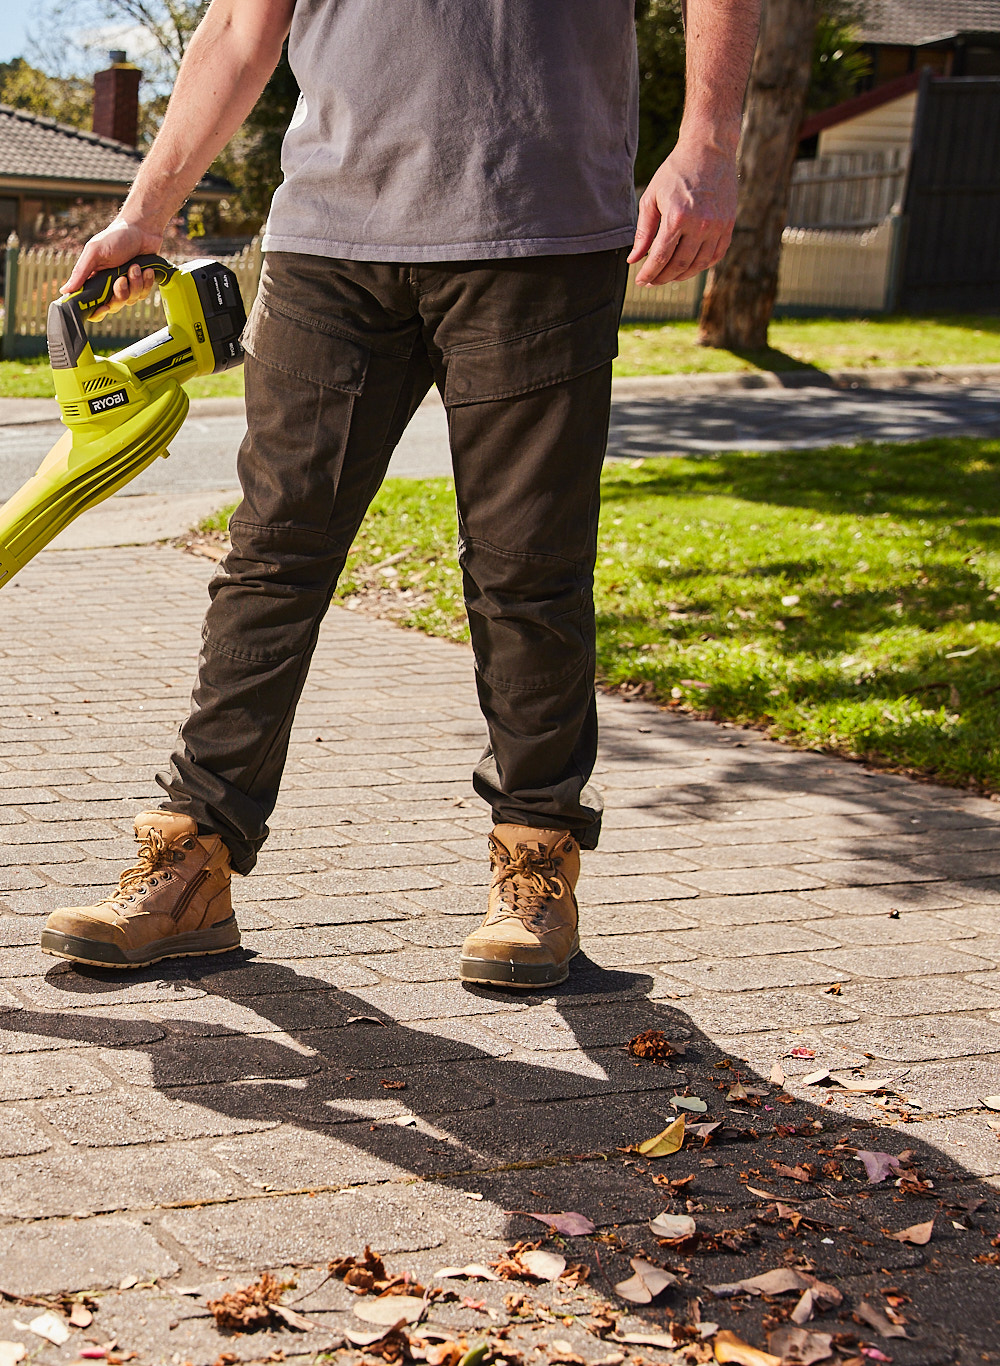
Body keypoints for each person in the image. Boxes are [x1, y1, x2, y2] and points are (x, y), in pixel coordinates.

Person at [39, 0, 758, 987]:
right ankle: (190, 862)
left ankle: (535, 862)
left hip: (536, 229)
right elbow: (238, 27)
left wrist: (708, 142)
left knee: (526, 568)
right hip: (330, 238)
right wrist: (144, 212)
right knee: (270, 558)